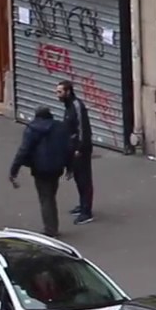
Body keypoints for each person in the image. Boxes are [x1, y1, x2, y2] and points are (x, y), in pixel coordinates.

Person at [9, 106, 73, 237]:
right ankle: (53, 226)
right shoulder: (60, 127)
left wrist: (14, 170)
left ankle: (50, 230)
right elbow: (68, 148)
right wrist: (70, 167)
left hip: (40, 169)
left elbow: (23, 150)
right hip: (56, 168)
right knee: (50, 196)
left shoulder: (32, 129)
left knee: (46, 198)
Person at [58, 80, 96, 225]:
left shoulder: (76, 106)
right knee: (78, 179)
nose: (57, 95)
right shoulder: (68, 106)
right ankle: (82, 205)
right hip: (73, 148)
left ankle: (87, 212)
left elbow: (82, 129)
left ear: (68, 92)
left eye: (60, 92)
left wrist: (79, 148)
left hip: (80, 150)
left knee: (84, 179)